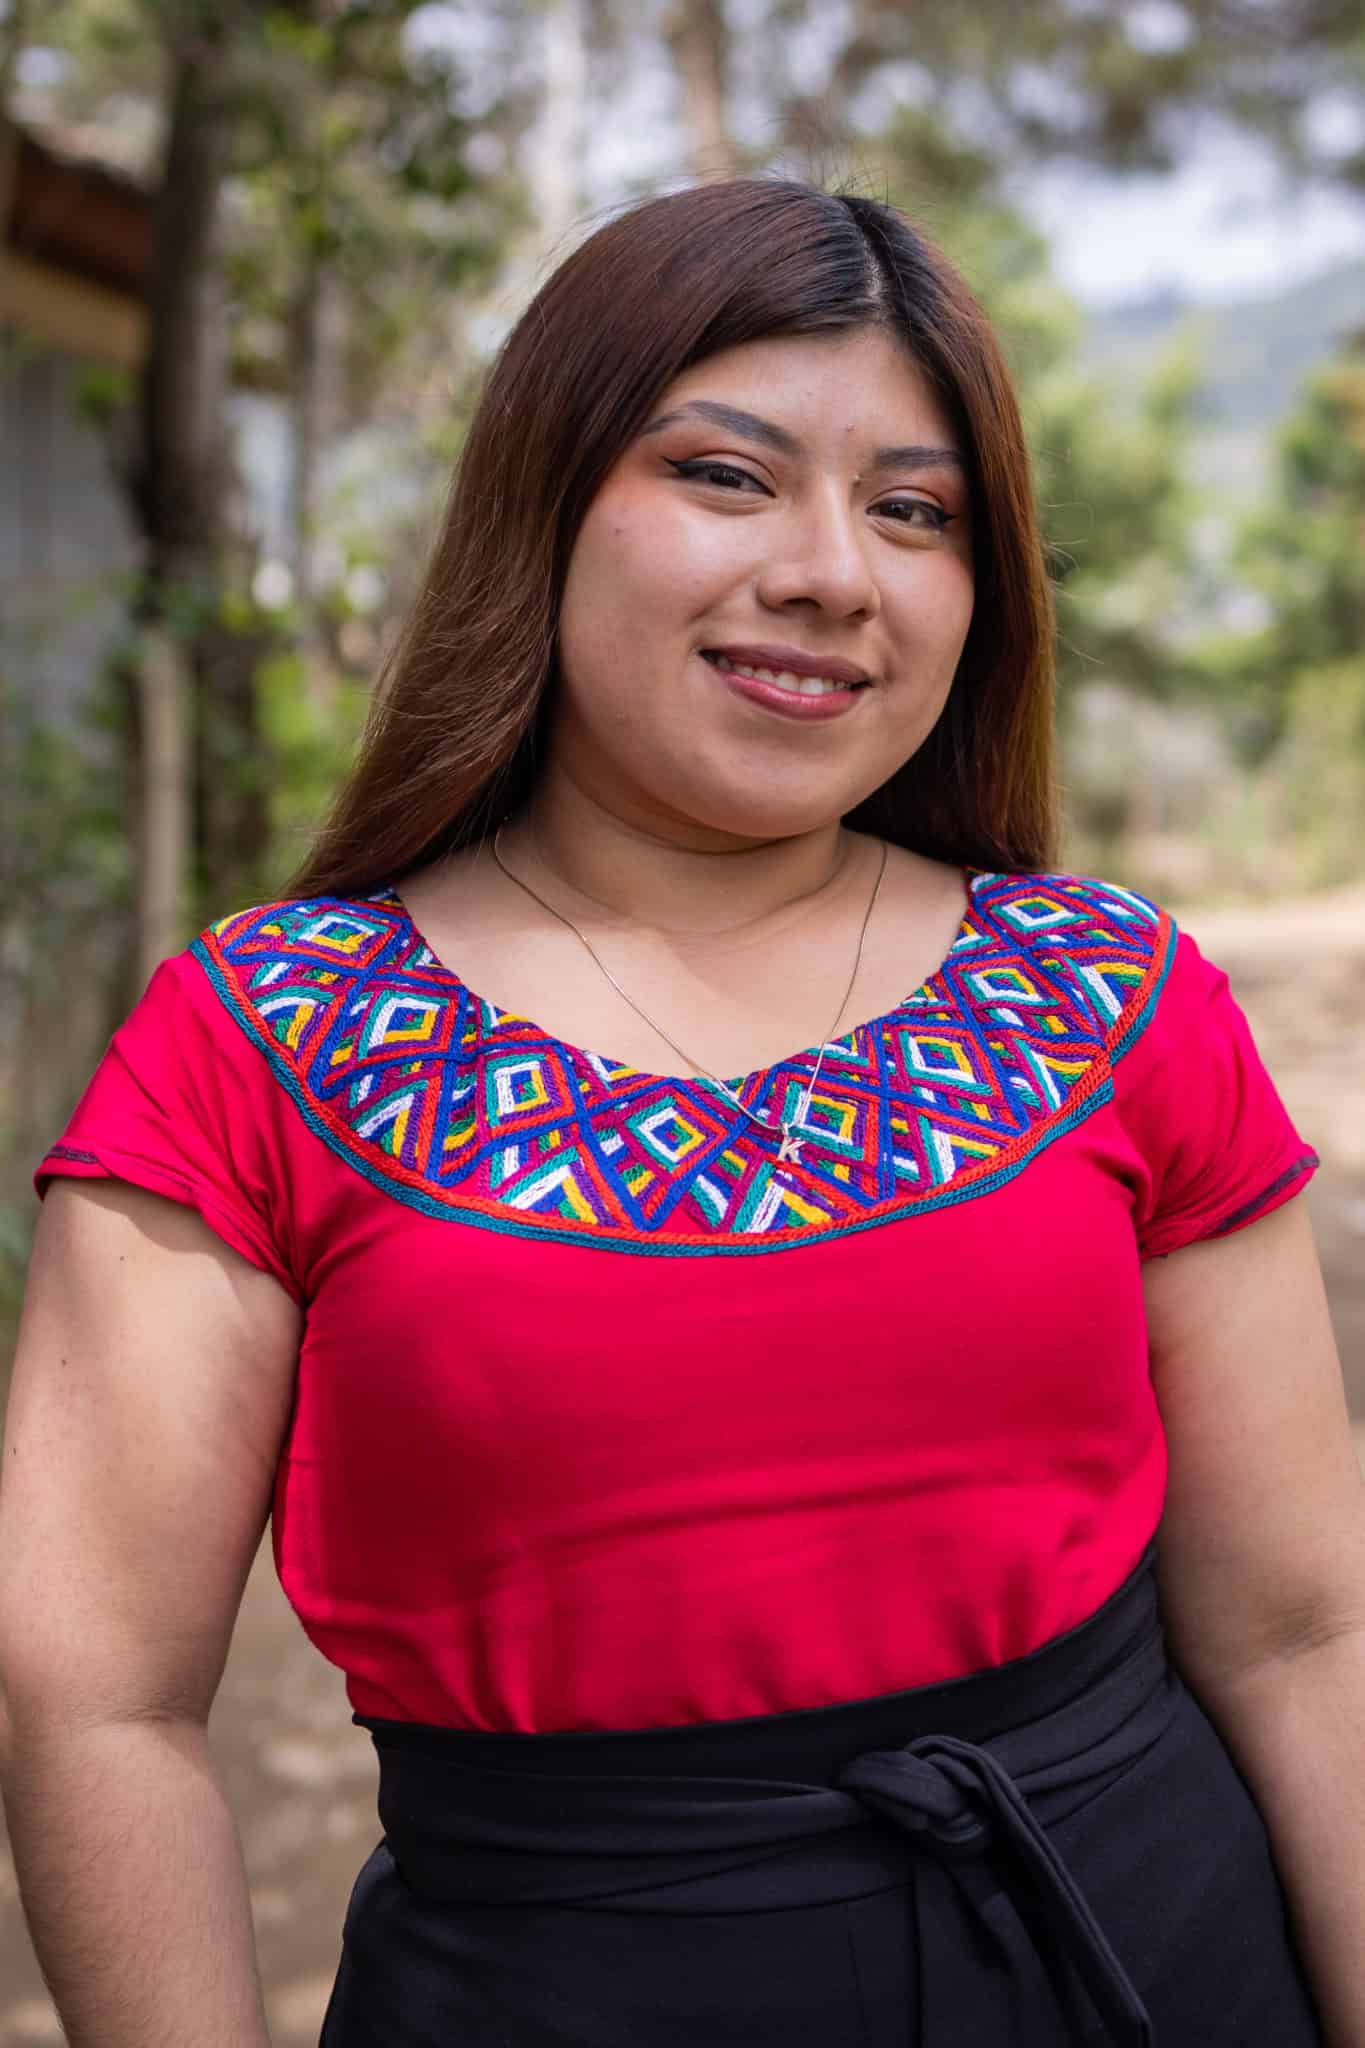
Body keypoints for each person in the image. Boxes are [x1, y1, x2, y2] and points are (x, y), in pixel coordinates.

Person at [0, 173, 1360, 2048]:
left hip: (1146, 1964)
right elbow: (99, 1705)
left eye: (914, 511)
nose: (833, 569)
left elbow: (1305, 1633)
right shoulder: (260, 1034)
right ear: (545, 507)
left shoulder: (1105, 990)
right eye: (726, 476)